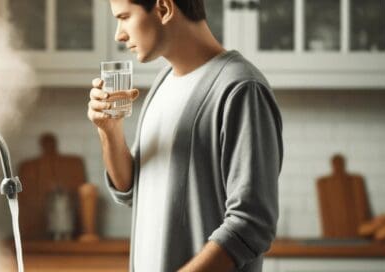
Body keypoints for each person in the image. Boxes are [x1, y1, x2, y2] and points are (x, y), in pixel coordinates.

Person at [86, 0, 283, 271]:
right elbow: (131, 190)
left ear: (164, 8)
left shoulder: (241, 88)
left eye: (124, 17)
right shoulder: (163, 82)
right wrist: (109, 130)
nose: (119, 34)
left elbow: (251, 224)